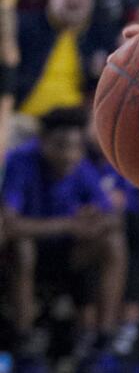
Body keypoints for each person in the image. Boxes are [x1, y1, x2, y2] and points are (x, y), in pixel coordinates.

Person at [2, 108, 127, 369]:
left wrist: (96, 220)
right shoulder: (20, 161)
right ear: (42, 141)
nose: (69, 155)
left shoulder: (80, 166)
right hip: (28, 257)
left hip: (69, 255)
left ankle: (101, 342)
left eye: (76, 147)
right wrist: (68, 225)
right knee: (22, 248)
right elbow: (9, 225)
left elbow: (113, 217)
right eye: (61, 146)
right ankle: (25, 345)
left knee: (113, 242)